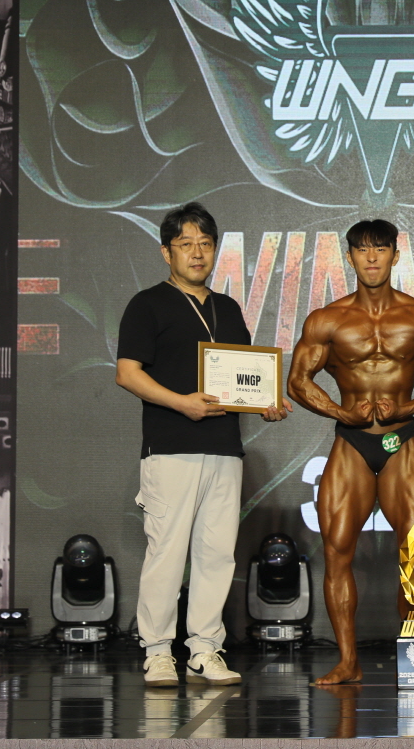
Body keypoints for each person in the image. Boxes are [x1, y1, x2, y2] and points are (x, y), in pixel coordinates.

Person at [115, 202, 289, 688]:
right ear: (166, 252)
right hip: (171, 448)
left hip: (225, 449)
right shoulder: (147, 304)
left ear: (215, 250)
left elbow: (246, 378)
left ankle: (205, 649)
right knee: (167, 554)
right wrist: (181, 403)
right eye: (186, 244)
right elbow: (127, 374)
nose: (197, 253)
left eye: (205, 244)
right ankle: (157, 652)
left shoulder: (227, 308)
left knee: (216, 555)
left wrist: (267, 403)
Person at [287, 219, 414, 685]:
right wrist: (340, 412)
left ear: (394, 255)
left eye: (380, 249)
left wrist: (407, 406)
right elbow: (297, 381)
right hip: (351, 443)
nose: (371, 257)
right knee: (337, 551)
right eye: (362, 250)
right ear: (349, 257)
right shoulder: (326, 320)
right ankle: (348, 662)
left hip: (400, 441)